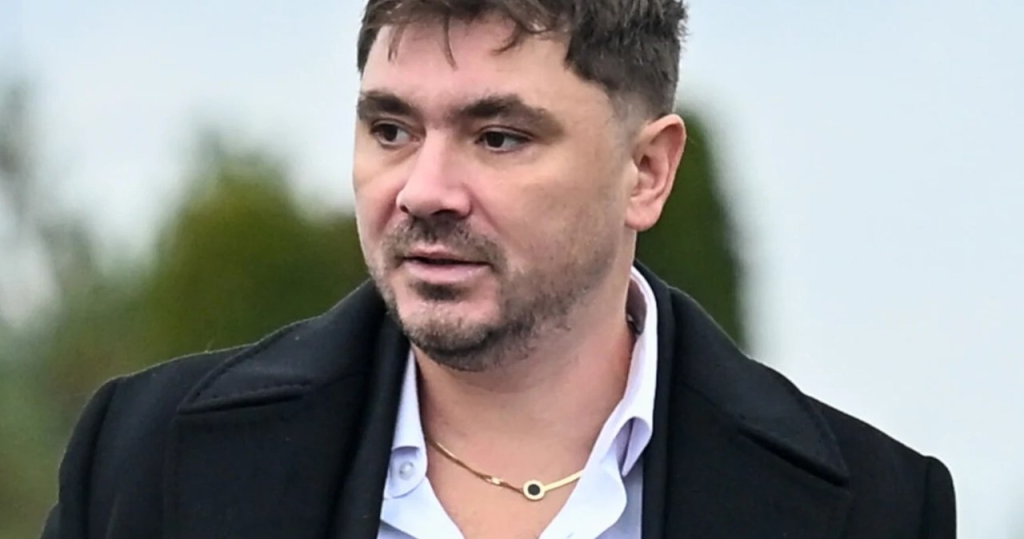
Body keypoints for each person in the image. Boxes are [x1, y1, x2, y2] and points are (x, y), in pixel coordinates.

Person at [42, 1, 956, 538]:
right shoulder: (148, 461)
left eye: (499, 137)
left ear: (646, 171)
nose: (424, 190)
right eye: (391, 128)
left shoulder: (874, 511)